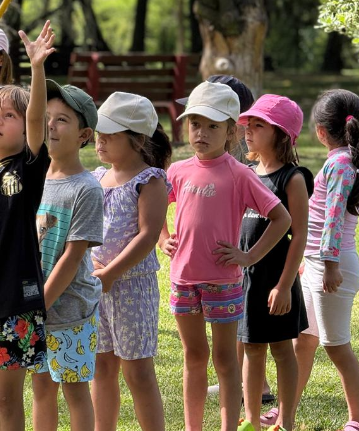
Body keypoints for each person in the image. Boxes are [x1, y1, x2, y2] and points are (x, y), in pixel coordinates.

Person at [158, 81, 291, 431]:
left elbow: (282, 218)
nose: (201, 133)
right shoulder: (178, 171)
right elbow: (155, 209)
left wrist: (249, 256)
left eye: (212, 126)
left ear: (233, 131)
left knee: (225, 360)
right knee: (193, 357)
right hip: (183, 280)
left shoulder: (240, 174)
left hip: (223, 283)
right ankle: (192, 427)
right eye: (195, 123)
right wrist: (163, 237)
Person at [0, 21, 54, 431]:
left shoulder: (28, 166)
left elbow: (38, 118)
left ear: (24, 130)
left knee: (7, 401)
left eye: (8, 116)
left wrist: (36, 69)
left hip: (14, 305)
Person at [89, 92, 171, 431]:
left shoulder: (149, 180)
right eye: (99, 132)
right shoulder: (95, 177)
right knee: (101, 367)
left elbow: (149, 235)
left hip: (131, 287)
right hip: (96, 286)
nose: (100, 139)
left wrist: (111, 272)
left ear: (137, 140)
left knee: (137, 371)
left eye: (111, 133)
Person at [235, 95, 312, 431]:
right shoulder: (247, 173)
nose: (248, 131)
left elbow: (300, 235)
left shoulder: (292, 179)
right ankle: (251, 419)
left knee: (282, 349)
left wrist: (284, 285)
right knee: (251, 349)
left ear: (281, 133)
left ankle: (287, 420)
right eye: (248, 124)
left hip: (277, 280)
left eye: (258, 125)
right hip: (247, 279)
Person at [30, 79, 102, 431]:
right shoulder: (34, 177)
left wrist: (39, 305)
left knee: (74, 391)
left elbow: (72, 258)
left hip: (71, 309)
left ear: (84, 135)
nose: (50, 126)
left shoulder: (86, 189)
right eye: (46, 117)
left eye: (62, 120)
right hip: (34, 306)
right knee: (41, 388)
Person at [289, 89, 359, 431]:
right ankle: (287, 411)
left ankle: (356, 419)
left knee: (337, 347)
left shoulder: (342, 163)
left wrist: (329, 265)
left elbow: (333, 218)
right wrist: (307, 259)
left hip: (332, 265)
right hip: (317, 262)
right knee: (303, 341)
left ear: (320, 131)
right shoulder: (344, 160)